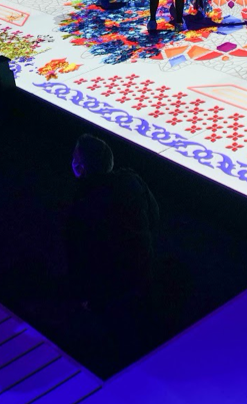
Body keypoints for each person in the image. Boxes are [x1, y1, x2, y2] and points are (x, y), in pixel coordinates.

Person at [65, 134, 160, 344]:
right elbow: (155, 217)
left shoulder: (83, 205)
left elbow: (79, 257)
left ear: (80, 167)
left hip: (111, 286)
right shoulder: (132, 181)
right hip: (144, 266)